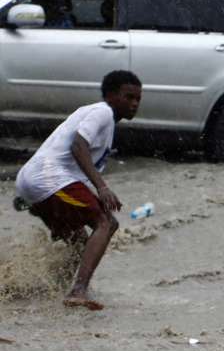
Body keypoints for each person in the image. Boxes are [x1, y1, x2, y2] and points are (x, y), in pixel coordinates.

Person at [12, 71, 141, 310]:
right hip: (49, 180)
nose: (134, 104)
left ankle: (52, 287)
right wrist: (102, 187)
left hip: (35, 183)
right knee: (106, 223)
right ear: (111, 96)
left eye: (138, 99)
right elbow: (77, 146)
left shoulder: (101, 120)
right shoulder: (102, 112)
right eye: (128, 97)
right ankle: (78, 290)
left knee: (80, 241)